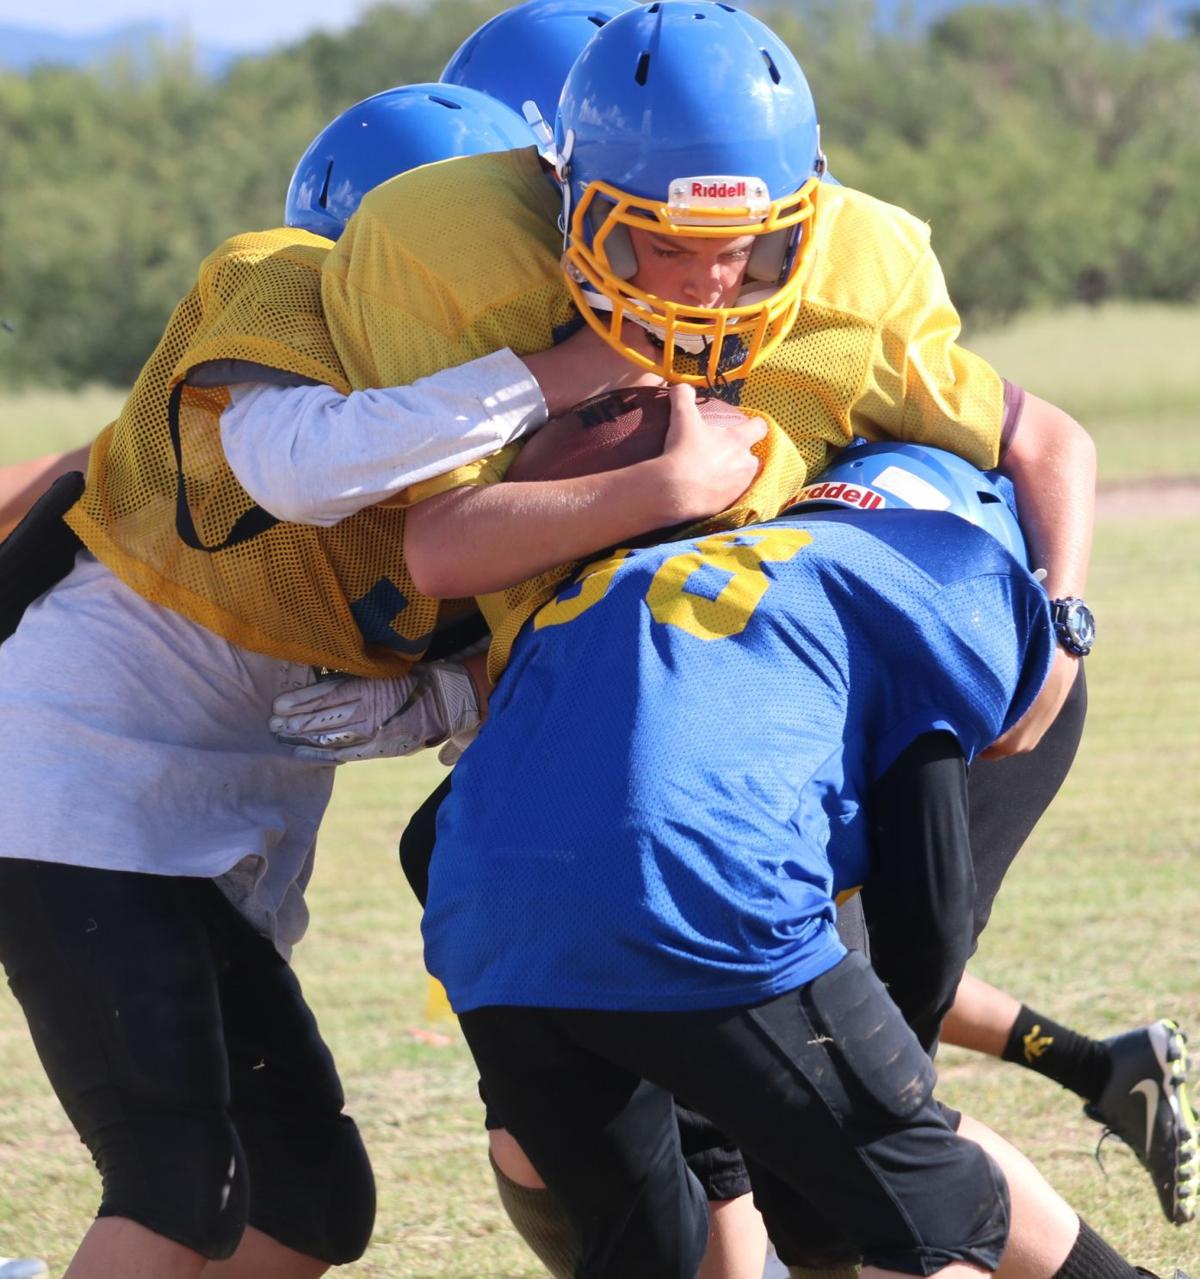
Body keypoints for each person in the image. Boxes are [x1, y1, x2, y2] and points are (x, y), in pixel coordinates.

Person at [0, 83, 647, 1279]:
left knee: (306, 1203)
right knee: (175, 1181)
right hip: (81, 786)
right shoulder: (290, 292)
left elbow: (539, 650)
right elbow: (299, 467)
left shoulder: (479, 416)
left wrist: (441, 700)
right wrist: (553, 371)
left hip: (212, 827)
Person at [417, 441, 1187, 1279]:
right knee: (941, 1211)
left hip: (487, 920)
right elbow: (928, 913)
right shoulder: (942, 581)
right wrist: (893, 1100)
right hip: (699, 899)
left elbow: (430, 832)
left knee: (643, 1255)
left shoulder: (652, 570)